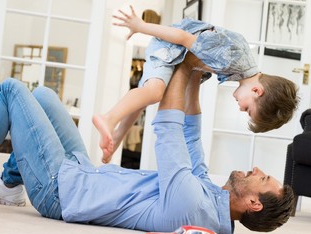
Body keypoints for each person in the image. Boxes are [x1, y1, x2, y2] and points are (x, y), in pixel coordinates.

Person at [0, 58, 294, 234]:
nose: (258, 171)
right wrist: (193, 76)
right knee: (44, 97)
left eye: (264, 180)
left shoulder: (194, 209)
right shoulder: (212, 196)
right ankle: (9, 185)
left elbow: (168, 130)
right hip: (83, 172)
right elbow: (191, 137)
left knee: (11, 90)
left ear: (253, 204)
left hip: (60, 191)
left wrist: (180, 66)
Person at [92, 5, 299, 163]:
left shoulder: (239, 68)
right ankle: (108, 118)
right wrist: (141, 27)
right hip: (169, 46)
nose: (241, 108)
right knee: (153, 93)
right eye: (248, 109)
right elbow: (183, 37)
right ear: (257, 90)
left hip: (177, 52)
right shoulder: (231, 60)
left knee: (146, 96)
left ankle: (118, 136)